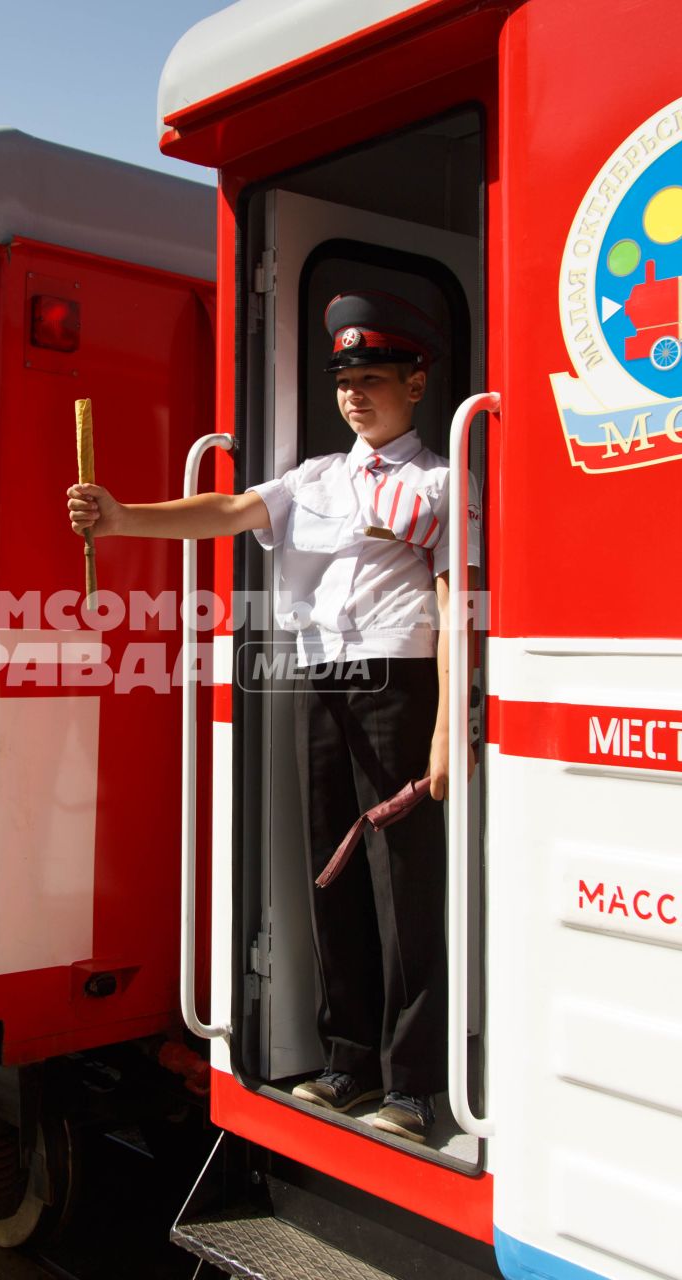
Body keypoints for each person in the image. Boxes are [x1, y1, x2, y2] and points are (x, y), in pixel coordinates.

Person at [66, 290, 476, 1144]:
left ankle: (414, 1084)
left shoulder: (443, 480)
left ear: (416, 383)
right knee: (330, 871)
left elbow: (453, 603)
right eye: (345, 382)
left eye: (372, 378)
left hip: (400, 681)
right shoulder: (316, 479)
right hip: (321, 679)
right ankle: (346, 1058)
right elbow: (225, 511)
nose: (356, 395)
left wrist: (446, 722)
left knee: (404, 883)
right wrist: (123, 515)